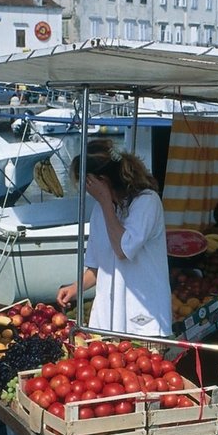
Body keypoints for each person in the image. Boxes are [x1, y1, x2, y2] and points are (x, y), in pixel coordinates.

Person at [55, 138, 172, 337]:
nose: (87, 191)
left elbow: (122, 250)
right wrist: (75, 288)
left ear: (102, 180)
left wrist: (106, 202)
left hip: (143, 318)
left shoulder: (147, 202)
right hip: (107, 319)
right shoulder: (101, 209)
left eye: (88, 184)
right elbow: (97, 267)